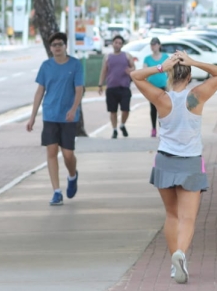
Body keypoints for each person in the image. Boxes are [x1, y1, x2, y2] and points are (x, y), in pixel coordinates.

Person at [130, 50, 217, 284]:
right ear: (190, 75)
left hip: (165, 160)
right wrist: (194, 61)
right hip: (191, 161)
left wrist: (161, 67)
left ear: (170, 75)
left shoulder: (162, 99)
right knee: (188, 218)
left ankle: (175, 266)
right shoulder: (197, 96)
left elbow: (135, 75)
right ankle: (180, 254)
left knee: (172, 215)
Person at [26, 32, 84, 206]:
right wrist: (32, 117)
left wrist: (74, 109)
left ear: (65, 46)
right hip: (50, 114)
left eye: (60, 44)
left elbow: (79, 89)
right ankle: (56, 192)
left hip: (68, 116)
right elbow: (39, 92)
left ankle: (72, 175)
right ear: (50, 48)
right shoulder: (46, 66)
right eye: (54, 45)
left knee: (68, 154)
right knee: (51, 152)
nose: (57, 47)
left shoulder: (75, 64)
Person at [98, 35, 135, 139]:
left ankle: (122, 124)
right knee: (112, 111)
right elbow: (104, 71)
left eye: (120, 43)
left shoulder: (127, 56)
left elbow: (134, 68)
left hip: (124, 87)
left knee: (125, 110)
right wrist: (100, 84)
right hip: (111, 87)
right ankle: (114, 130)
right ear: (112, 43)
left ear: (122, 45)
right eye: (116, 42)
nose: (117, 44)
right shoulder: (107, 57)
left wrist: (130, 71)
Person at [143, 37, 169, 137]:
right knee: (153, 108)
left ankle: (163, 128)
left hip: (163, 86)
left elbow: (170, 71)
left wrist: (170, 84)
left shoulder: (165, 57)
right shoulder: (147, 59)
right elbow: (144, 72)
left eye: (154, 44)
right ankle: (153, 128)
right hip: (152, 87)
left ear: (159, 45)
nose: (153, 46)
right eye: (151, 45)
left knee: (163, 108)